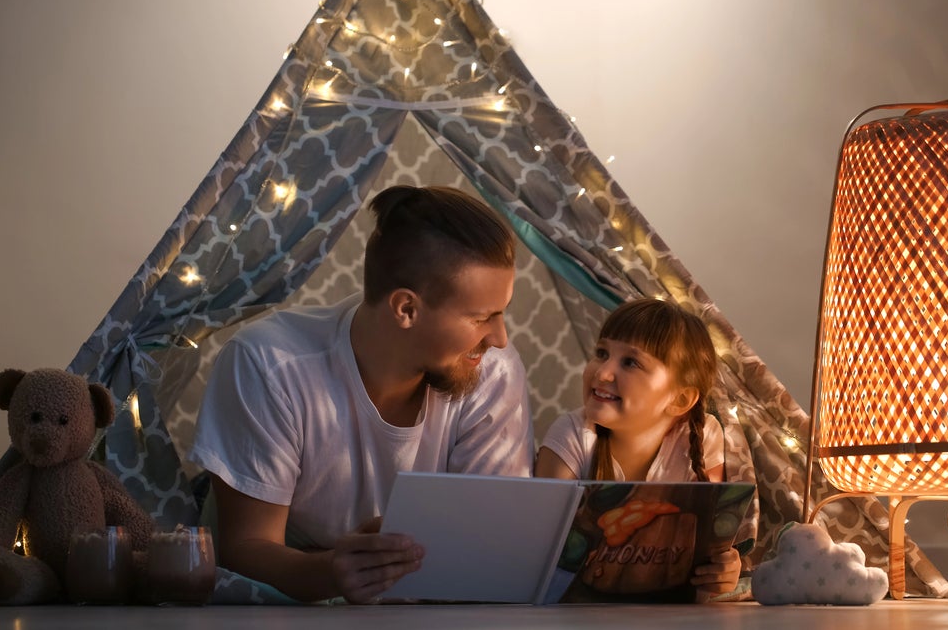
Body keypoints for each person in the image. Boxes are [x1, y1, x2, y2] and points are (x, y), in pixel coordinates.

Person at [188, 185, 535, 604]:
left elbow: (491, 549)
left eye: (502, 313)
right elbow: (244, 550)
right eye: (483, 318)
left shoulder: (492, 369)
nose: (499, 338)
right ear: (406, 308)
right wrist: (332, 572)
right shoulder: (269, 364)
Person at [534, 297, 741, 597]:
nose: (602, 373)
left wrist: (724, 569)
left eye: (630, 362)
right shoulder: (572, 435)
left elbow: (708, 549)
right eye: (601, 353)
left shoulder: (703, 436)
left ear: (680, 399)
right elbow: (540, 555)